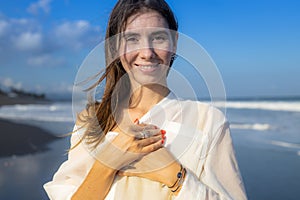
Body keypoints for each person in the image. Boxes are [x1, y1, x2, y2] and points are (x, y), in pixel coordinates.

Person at [44, 0, 247, 199]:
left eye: (158, 38)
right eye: (132, 39)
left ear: (174, 43)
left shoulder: (208, 121)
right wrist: (106, 164)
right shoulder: (93, 120)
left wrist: (172, 174)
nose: (147, 53)